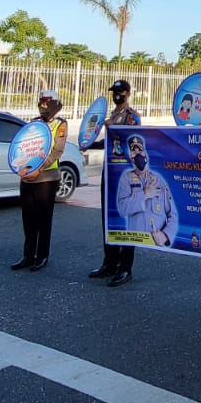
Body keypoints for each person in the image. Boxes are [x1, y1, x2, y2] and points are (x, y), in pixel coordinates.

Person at [89, 79, 145, 286]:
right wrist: (90, 143)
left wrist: (113, 127)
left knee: (127, 218)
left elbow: (133, 140)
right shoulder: (112, 115)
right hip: (109, 173)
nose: (117, 95)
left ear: (128, 93)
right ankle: (110, 262)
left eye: (120, 91)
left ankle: (125, 267)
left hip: (126, 174)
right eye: (114, 91)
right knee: (108, 218)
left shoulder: (132, 117)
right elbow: (109, 142)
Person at [11, 89, 69, 272]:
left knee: (43, 219)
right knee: (28, 219)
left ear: (54, 104)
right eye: (41, 102)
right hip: (28, 177)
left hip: (47, 178)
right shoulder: (34, 123)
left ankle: (42, 255)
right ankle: (28, 256)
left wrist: (39, 169)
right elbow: (24, 147)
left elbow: (57, 151)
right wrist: (21, 167)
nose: (43, 106)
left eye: (46, 103)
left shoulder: (60, 124)